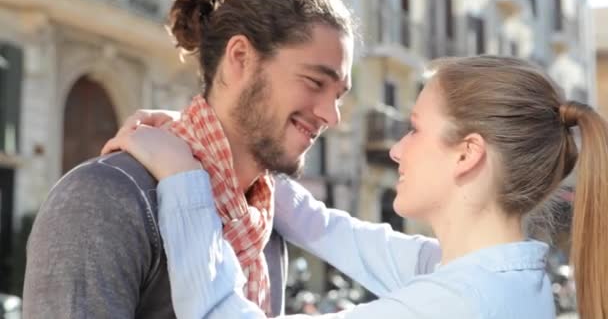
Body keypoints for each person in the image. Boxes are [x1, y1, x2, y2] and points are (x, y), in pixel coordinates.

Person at [109, 55, 608, 318]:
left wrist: (184, 179)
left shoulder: (462, 304)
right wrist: (212, 141)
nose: (396, 150)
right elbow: (328, 229)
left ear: (467, 153)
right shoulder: (493, 277)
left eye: (414, 129)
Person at [23, 0, 354, 317]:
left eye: (339, 96)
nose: (332, 116)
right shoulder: (105, 198)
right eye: (315, 82)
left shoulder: (265, 226)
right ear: (240, 58)